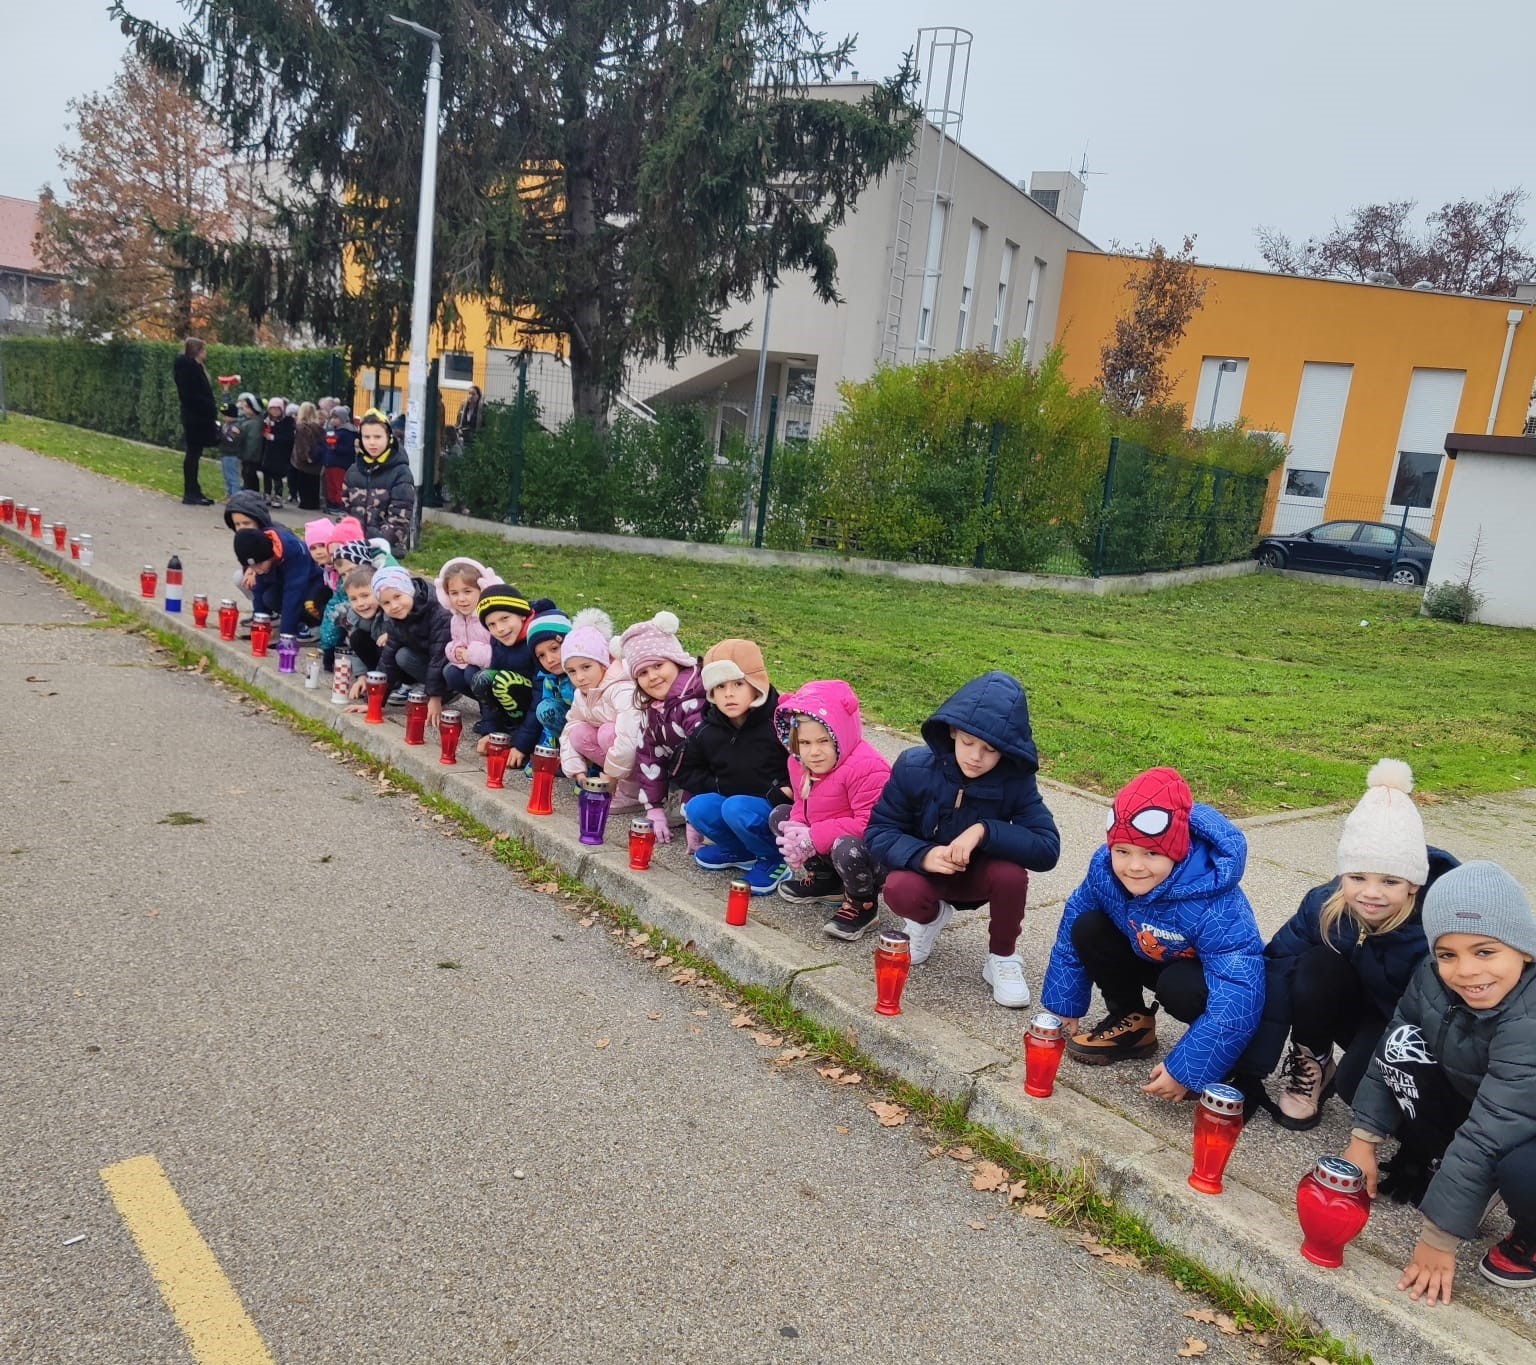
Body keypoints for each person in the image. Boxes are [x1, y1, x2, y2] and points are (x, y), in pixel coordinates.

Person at [1343, 861, 1536, 1303]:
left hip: (1520, 1119)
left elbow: (1495, 1124)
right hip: (1486, 1098)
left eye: (1485, 952)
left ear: (1524, 950)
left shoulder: (1529, 1015)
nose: (1465, 971)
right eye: (1448, 954)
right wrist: (1363, 1139)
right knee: (1375, 1063)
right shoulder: (1431, 976)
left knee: (1523, 1174)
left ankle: (1530, 1235)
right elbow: (1396, 1039)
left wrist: (1439, 1237)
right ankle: (1466, 1177)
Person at [1234, 759, 1458, 1130]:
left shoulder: (1435, 929)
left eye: (1390, 881)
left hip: (1398, 1022)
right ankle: (1315, 1063)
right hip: (1344, 1005)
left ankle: (1427, 1132)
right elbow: (1275, 967)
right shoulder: (1323, 905)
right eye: (1357, 877)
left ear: (1414, 884)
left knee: (1360, 1088)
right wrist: (1250, 1068)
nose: (1371, 893)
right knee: (1311, 965)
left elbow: (1442, 1018)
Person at [1038, 767, 1264, 1099]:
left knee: (1181, 987)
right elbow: (1072, 927)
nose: (1134, 866)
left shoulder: (1216, 903)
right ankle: (1132, 1021)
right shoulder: (1104, 871)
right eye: (1123, 851)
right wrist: (1065, 1003)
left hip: (1199, 979)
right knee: (1087, 926)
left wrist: (1188, 1070)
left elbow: (1239, 990)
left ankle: (1218, 1061)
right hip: (1146, 950)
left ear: (1178, 851)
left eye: (1152, 853)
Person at [865, 671, 1060, 1002]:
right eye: (968, 742)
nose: (975, 757)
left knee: (1011, 875)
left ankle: (1002, 958)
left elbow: (1047, 847)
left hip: (979, 879)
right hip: (927, 875)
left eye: (990, 749)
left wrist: (985, 831)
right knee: (898, 888)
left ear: (1007, 751)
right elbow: (879, 831)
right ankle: (928, 920)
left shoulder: (1015, 782)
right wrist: (923, 856)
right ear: (952, 731)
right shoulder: (914, 766)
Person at [771, 680, 892, 938]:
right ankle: (826, 881)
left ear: (841, 734)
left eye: (824, 741)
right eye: (804, 743)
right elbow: (801, 805)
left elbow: (869, 825)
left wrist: (812, 837)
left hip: (871, 853)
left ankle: (864, 903)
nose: (813, 752)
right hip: (828, 839)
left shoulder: (868, 767)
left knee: (846, 847)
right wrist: (797, 831)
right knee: (780, 817)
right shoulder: (799, 763)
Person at [675, 639, 791, 895]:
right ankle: (740, 851)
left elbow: (803, 765)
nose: (728, 693)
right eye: (719, 686)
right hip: (732, 804)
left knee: (736, 807)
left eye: (738, 684)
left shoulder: (780, 723)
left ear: (756, 685)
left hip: (774, 809)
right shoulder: (707, 729)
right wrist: (717, 784)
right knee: (698, 807)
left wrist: (781, 791)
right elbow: (685, 772)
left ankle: (773, 859)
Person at [615, 612, 706, 845]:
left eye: (658, 665)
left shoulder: (694, 702)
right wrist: (653, 809)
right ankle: (676, 806)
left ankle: (699, 816)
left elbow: (702, 761)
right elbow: (649, 757)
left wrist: (692, 817)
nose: (652, 677)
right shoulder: (653, 709)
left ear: (676, 661)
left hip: (716, 781)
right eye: (642, 673)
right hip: (685, 775)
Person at [557, 609, 642, 809]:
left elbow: (629, 735)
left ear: (603, 664)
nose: (579, 677)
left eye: (586, 667)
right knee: (579, 733)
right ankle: (623, 784)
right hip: (621, 756)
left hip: (648, 756)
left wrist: (611, 775)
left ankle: (633, 790)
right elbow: (571, 727)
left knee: (606, 733)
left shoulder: (621, 688)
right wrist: (576, 769)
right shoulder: (582, 693)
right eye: (571, 671)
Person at [344, 565, 450, 724]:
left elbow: (439, 655)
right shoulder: (396, 619)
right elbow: (387, 661)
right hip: (428, 661)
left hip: (452, 666)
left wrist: (435, 697)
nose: (394, 606)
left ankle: (447, 691)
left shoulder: (438, 611)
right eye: (386, 603)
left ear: (409, 590)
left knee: (405, 656)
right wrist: (374, 704)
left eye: (397, 597)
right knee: (398, 654)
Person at [469, 582, 556, 755]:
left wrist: (521, 745)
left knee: (503, 682)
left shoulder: (537, 639)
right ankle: (505, 729)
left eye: (505, 619)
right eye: (491, 625)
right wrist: (490, 731)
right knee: (482, 679)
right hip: (518, 702)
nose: (500, 629)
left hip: (544, 704)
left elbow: (541, 693)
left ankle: (525, 735)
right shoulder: (498, 641)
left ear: (522, 615)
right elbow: (490, 693)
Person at [231, 525, 330, 642]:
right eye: (252, 567)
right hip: (285, 582)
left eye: (259, 565)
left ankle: (316, 626)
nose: (257, 570)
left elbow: (293, 596)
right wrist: (261, 623)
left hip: (315, 584)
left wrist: (285, 635)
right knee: (269, 598)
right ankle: (289, 622)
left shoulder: (295, 552)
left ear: (270, 555)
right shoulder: (261, 552)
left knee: (309, 605)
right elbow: (258, 588)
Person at [345, 408, 416, 556]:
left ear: (389, 437)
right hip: (356, 549)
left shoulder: (400, 472)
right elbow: (346, 510)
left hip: (386, 552)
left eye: (377, 437)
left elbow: (400, 517)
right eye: (367, 437)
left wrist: (378, 545)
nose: (372, 443)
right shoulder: (353, 471)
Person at [434, 557, 499, 699]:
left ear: (482, 590)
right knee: (451, 672)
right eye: (454, 593)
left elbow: (500, 654)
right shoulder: (456, 619)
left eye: (467, 591)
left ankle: (495, 710)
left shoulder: (489, 618)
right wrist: (456, 650)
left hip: (497, 671)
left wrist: (470, 654)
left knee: (471, 672)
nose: (461, 599)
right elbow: (457, 640)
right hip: (474, 665)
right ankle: (485, 705)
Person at [172, 337, 218, 506]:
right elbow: (190, 394)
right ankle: (190, 491)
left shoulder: (194, 368)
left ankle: (194, 489)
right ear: (198, 351)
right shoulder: (189, 369)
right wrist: (206, 405)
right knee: (193, 453)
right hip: (195, 417)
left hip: (197, 416)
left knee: (195, 454)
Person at [528, 609, 575, 747]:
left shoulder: (585, 672)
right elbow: (548, 723)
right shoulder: (549, 678)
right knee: (545, 709)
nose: (549, 659)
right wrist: (546, 753)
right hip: (570, 729)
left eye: (554, 649)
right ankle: (561, 751)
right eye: (541, 655)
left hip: (595, 729)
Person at [290, 400, 326, 511]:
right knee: (314, 482)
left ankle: (306, 504)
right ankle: (314, 503)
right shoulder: (319, 428)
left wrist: (305, 456)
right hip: (317, 459)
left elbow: (303, 444)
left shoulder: (302, 428)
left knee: (304, 483)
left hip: (306, 460)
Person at [260, 397, 295, 508]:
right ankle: (267, 494)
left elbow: (289, 438)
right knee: (266, 473)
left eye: (277, 409)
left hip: (280, 453)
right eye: (272, 409)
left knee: (277, 475)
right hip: (267, 452)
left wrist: (274, 437)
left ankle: (278, 495)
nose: (274, 411)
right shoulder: (265, 420)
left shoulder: (287, 422)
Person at [322, 405, 357, 513]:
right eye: (332, 417)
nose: (333, 420)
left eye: (336, 418)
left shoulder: (348, 432)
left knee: (338, 485)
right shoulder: (333, 430)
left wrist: (335, 447)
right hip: (331, 462)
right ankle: (331, 503)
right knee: (330, 484)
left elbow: (348, 449)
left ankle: (339, 504)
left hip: (340, 463)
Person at [236, 393, 264, 494]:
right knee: (246, 475)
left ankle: (251, 494)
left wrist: (248, 456)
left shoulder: (255, 423)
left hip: (250, 456)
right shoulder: (248, 421)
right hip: (246, 455)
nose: (244, 409)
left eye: (247, 407)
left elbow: (253, 441)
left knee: (250, 476)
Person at [216, 401, 243, 500]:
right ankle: (229, 493)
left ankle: (235, 496)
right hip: (225, 453)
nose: (224, 417)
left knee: (233, 476)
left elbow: (231, 439)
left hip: (232, 454)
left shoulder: (236, 427)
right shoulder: (225, 425)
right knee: (227, 476)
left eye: (226, 415)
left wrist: (220, 434)